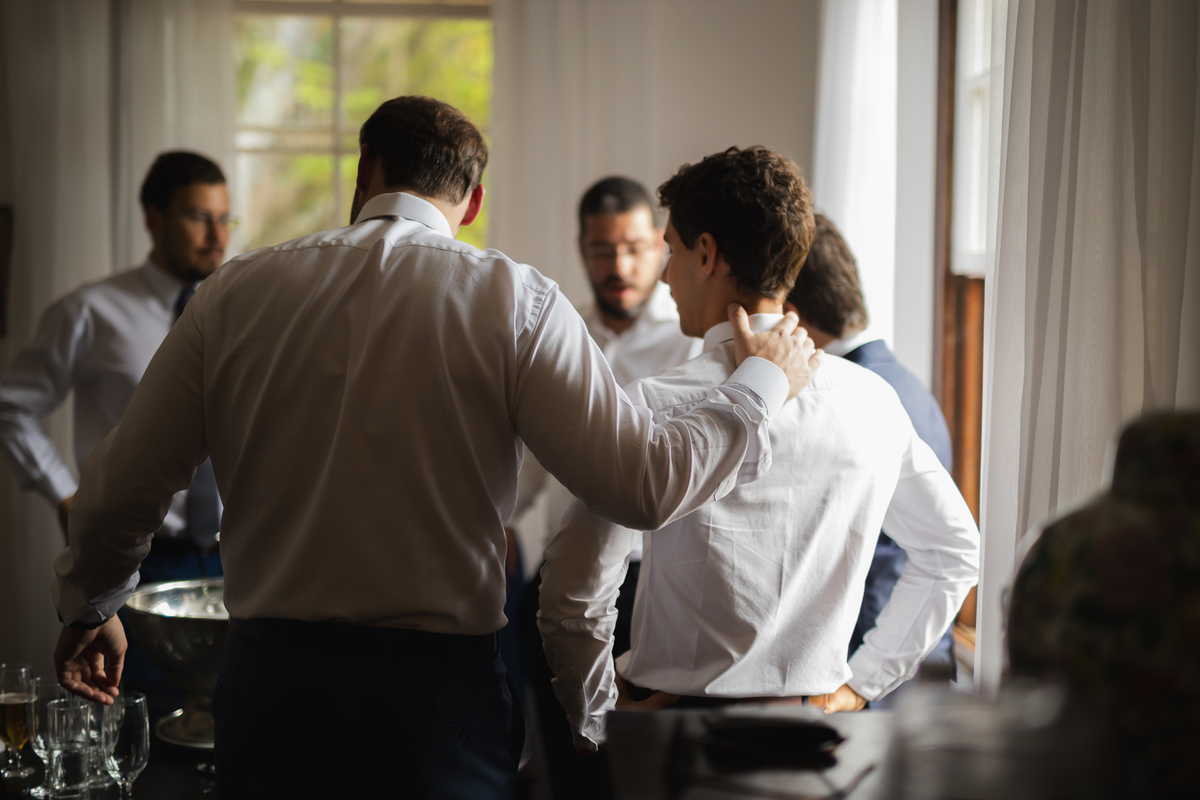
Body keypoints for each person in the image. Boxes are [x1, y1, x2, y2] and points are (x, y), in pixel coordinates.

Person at [50, 97, 819, 799]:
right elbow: (642, 485)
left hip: (271, 693)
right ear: (473, 202)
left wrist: (94, 604)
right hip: (435, 705)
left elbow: (122, 485)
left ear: (366, 173)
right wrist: (759, 384)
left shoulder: (232, 293)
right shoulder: (518, 302)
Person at [538, 146, 980, 752]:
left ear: (706, 254)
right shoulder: (872, 400)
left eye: (670, 250)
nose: (665, 274)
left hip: (674, 741)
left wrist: (600, 721)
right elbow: (953, 548)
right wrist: (863, 684)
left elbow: (572, 589)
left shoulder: (651, 403)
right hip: (816, 737)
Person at [513, 177, 702, 799]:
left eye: (634, 247)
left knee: (655, 772)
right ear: (581, 249)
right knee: (571, 764)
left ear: (659, 247)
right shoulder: (556, 336)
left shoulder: (694, 344)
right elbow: (526, 476)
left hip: (666, 586)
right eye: (601, 250)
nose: (618, 266)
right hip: (566, 579)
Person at [0, 151, 230, 580]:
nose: (217, 235)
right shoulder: (88, 311)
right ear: (153, 219)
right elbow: (12, 405)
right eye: (200, 217)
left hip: (236, 560)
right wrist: (63, 495)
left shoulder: (240, 312)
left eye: (225, 218)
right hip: (129, 559)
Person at [786, 214, 957, 691]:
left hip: (868, 659)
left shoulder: (846, 400)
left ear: (789, 311)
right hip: (923, 654)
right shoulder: (907, 385)